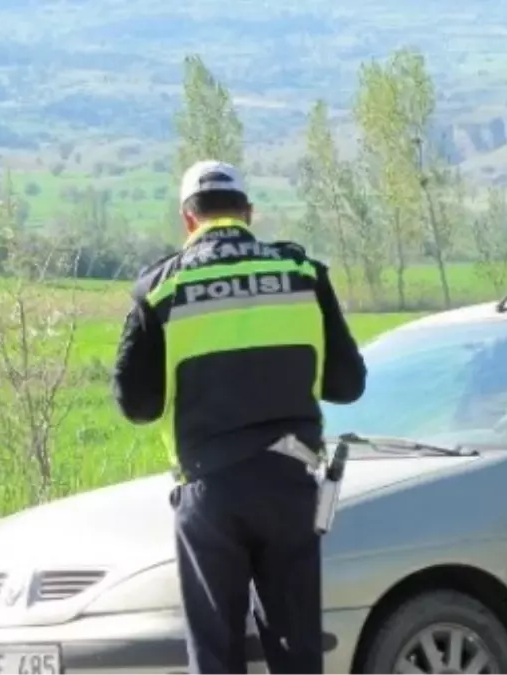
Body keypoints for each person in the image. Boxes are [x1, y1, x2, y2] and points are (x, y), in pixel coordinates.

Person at [112, 160, 367, 675]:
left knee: (216, 652)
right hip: (290, 482)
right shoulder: (302, 274)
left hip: (209, 489)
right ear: (248, 213)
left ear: (189, 220)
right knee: (297, 651)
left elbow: (135, 405)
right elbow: (348, 384)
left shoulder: (160, 289)